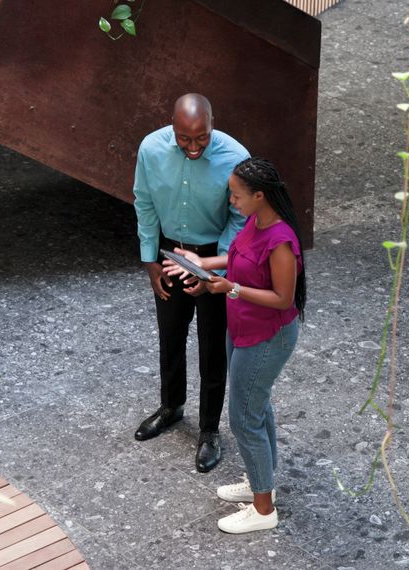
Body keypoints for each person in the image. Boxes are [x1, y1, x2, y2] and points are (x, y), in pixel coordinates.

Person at [164, 157, 306, 534]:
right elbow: (238, 258)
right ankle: (263, 484)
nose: (232, 201)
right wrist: (201, 267)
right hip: (241, 328)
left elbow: (283, 299)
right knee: (257, 408)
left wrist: (231, 288)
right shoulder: (254, 221)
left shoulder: (281, 241)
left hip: (267, 337)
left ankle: (262, 510)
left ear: (260, 196)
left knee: (244, 419)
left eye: (238, 195)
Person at [132, 94, 249, 473]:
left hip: (213, 254)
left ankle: (210, 430)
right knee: (170, 336)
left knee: (213, 347)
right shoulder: (151, 148)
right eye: (185, 139)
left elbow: (240, 217)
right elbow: (144, 202)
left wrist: (215, 272)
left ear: (213, 123)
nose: (193, 146)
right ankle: (171, 407)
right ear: (173, 127)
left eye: (201, 138)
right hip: (169, 254)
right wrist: (150, 258)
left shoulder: (234, 156)